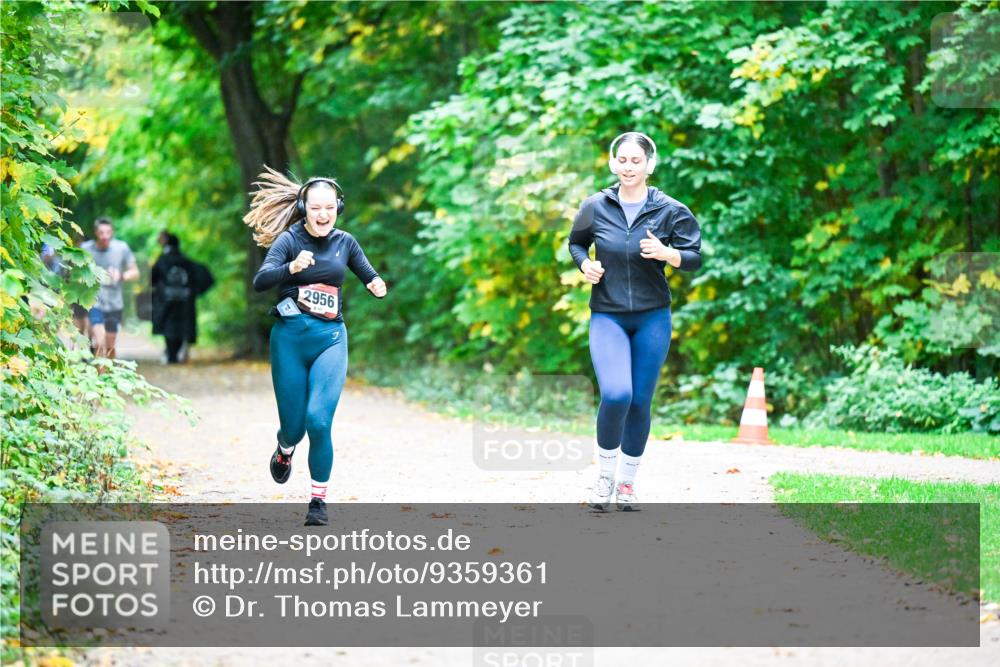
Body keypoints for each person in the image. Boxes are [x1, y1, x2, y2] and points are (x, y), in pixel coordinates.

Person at [245, 166, 387, 526]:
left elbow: (367, 273)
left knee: (319, 421)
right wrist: (291, 267)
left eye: (330, 208)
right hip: (290, 340)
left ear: (338, 207)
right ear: (304, 208)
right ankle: (285, 448)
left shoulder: (346, 243)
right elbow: (261, 281)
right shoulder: (290, 241)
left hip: (331, 339)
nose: (323, 215)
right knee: (294, 426)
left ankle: (318, 502)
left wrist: (375, 283)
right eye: (316, 208)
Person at [568, 132, 703, 512]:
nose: (628, 167)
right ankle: (605, 477)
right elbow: (576, 243)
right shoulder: (595, 205)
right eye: (622, 160)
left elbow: (694, 257)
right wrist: (585, 265)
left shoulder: (670, 210)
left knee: (640, 400)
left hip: (652, 316)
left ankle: (627, 483)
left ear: (649, 165)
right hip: (607, 315)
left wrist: (668, 253)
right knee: (616, 394)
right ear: (613, 163)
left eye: (636, 161)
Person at [80, 217, 139, 358]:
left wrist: (121, 276)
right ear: (95, 233)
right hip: (95, 302)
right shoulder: (86, 249)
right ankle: (100, 379)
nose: (105, 236)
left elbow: (135, 272)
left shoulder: (121, 248)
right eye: (101, 233)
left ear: (112, 232)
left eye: (108, 232)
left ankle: (110, 377)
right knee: (100, 343)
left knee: (110, 347)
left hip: (114, 303)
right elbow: (75, 274)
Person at [151, 232, 215, 364]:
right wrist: (194, 291)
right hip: (185, 301)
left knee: (169, 326)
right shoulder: (186, 261)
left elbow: (152, 279)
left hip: (167, 301)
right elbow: (204, 277)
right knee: (182, 326)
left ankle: (171, 354)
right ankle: (178, 352)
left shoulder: (162, 260)